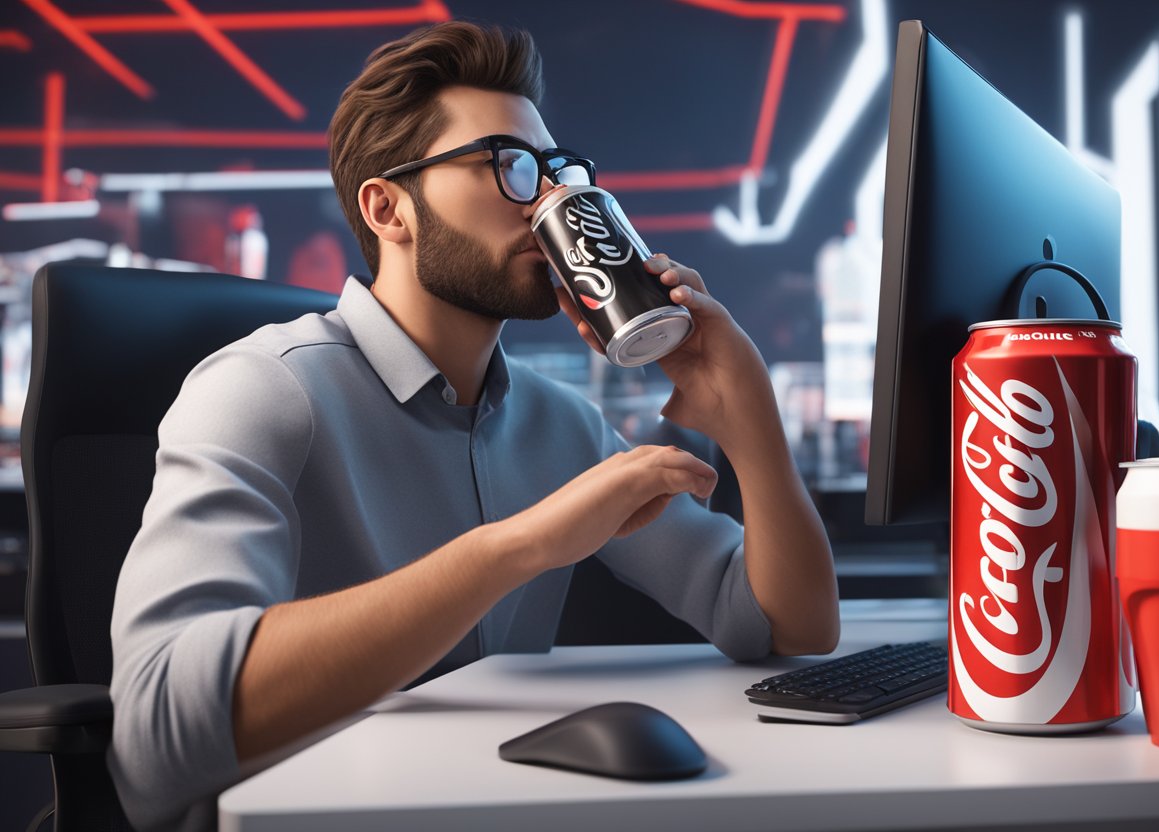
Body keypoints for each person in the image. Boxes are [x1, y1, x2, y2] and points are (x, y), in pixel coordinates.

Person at [108, 20, 838, 831]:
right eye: (509, 168)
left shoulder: (561, 425)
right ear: (389, 209)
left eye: (559, 172)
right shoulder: (260, 390)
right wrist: (525, 544)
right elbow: (156, 734)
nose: (552, 200)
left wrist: (748, 413)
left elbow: (789, 626)